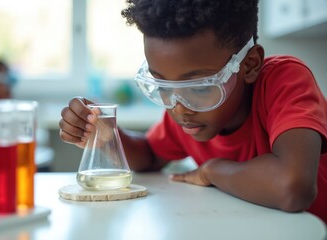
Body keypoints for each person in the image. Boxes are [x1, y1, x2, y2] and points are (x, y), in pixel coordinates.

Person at [59, 0, 327, 223]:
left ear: (250, 64)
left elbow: (293, 187)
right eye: (162, 85)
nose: (178, 108)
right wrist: (108, 136)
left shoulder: (284, 80)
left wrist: (211, 171)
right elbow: (151, 155)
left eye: (199, 88)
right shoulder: (188, 111)